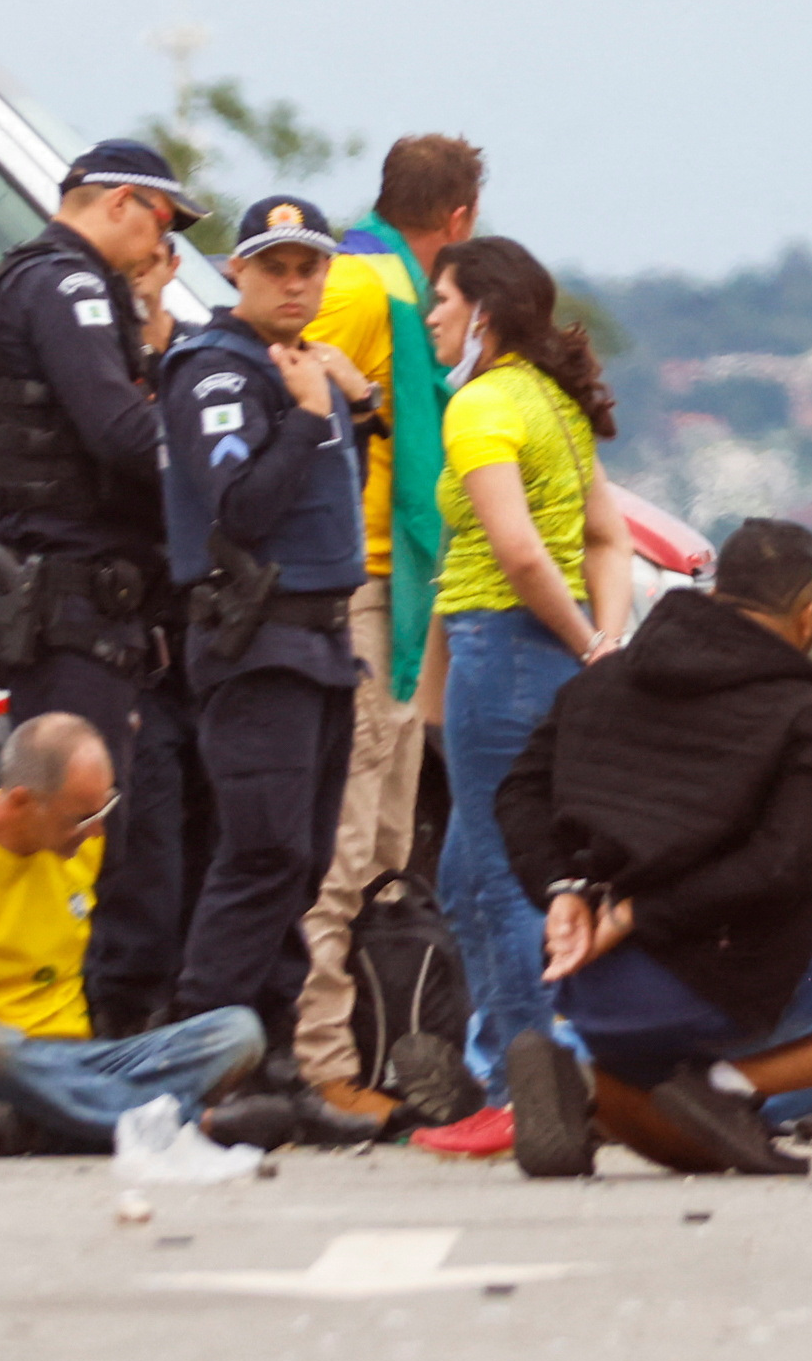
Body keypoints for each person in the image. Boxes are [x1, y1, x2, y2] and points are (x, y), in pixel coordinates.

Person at [495, 517, 812, 1176]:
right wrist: (643, 914)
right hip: (720, 978)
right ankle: (723, 1090)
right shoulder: (803, 712)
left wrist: (563, 890)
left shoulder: (598, 683)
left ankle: (598, 1086)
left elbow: (518, 792)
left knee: (703, 1122)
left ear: (715, 592)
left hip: (588, 982)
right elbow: (783, 866)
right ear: (809, 614)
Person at [155, 194, 387, 1147]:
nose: (296, 283)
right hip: (258, 643)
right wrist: (300, 416)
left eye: (309, 266)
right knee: (256, 855)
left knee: (297, 863)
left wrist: (355, 404)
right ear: (237, 273)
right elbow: (241, 506)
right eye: (275, 266)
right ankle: (204, 1071)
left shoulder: (302, 369)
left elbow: (335, 487)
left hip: (322, 640)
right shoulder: (217, 370)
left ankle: (282, 1064)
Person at [0, 137, 197, 1033]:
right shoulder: (66, 284)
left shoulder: (43, 281)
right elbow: (122, 436)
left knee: (116, 833)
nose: (160, 251)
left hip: (80, 603)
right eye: (162, 225)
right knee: (88, 832)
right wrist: (219, 455)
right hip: (75, 608)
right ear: (123, 202)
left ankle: (90, 1032)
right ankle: (83, 1039)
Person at [404, 236, 633, 1163]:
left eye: (443, 300)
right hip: (518, 651)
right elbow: (607, 539)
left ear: (483, 314)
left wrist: (586, 643)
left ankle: (524, 1086)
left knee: (502, 876)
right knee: (465, 872)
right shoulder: (557, 404)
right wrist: (602, 641)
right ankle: (511, 1058)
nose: (430, 316)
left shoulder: (483, 404)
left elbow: (516, 553)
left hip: (503, 649)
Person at [286, 132, 484, 1130]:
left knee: (385, 848)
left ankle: (371, 1046)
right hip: (358, 588)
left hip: (389, 593)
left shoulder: (378, 280)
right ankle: (320, 1061)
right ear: (456, 222)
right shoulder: (370, 288)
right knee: (349, 836)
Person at [0, 713, 272, 1155]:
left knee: (237, 1032)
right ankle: (182, 1124)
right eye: (82, 817)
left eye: (105, 810)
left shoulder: (78, 846)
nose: (97, 830)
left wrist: (50, 1082)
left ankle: (52, 1121)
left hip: (71, 1062)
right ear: (22, 802)